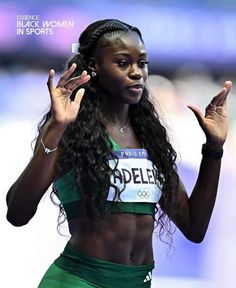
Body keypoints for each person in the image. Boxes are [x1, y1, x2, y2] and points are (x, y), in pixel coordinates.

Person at [6, 19, 232, 288]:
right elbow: (17, 213)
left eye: (142, 63)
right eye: (123, 63)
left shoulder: (151, 138)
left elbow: (194, 227)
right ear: (94, 67)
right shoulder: (70, 130)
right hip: (79, 281)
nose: (137, 73)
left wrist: (214, 148)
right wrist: (56, 127)